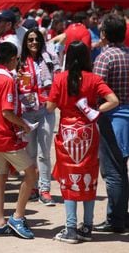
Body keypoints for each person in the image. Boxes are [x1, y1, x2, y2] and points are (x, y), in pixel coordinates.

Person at [47, 41, 118, 244]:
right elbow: (113, 100)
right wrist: (96, 110)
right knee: (89, 177)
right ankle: (87, 227)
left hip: (67, 133)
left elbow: (50, 107)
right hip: (88, 131)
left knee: (68, 178)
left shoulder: (60, 79)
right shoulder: (94, 79)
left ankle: (70, 227)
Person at [0, 41, 37, 239]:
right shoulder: (6, 81)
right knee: (32, 173)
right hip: (4, 136)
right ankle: (17, 216)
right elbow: (7, 111)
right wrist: (23, 124)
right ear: (13, 59)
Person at [93, 13, 129, 233]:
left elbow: (96, 89)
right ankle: (121, 215)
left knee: (113, 172)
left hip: (112, 118)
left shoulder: (104, 58)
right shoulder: (127, 54)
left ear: (104, 34)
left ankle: (115, 220)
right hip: (126, 116)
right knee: (121, 170)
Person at [18, 28, 60, 205]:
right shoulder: (19, 62)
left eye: (36, 39)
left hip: (45, 110)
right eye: (30, 40)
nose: (33, 42)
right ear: (26, 43)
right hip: (26, 112)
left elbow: (57, 82)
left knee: (44, 153)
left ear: (41, 41)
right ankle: (32, 187)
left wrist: (53, 101)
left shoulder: (50, 60)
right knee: (30, 153)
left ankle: (45, 189)